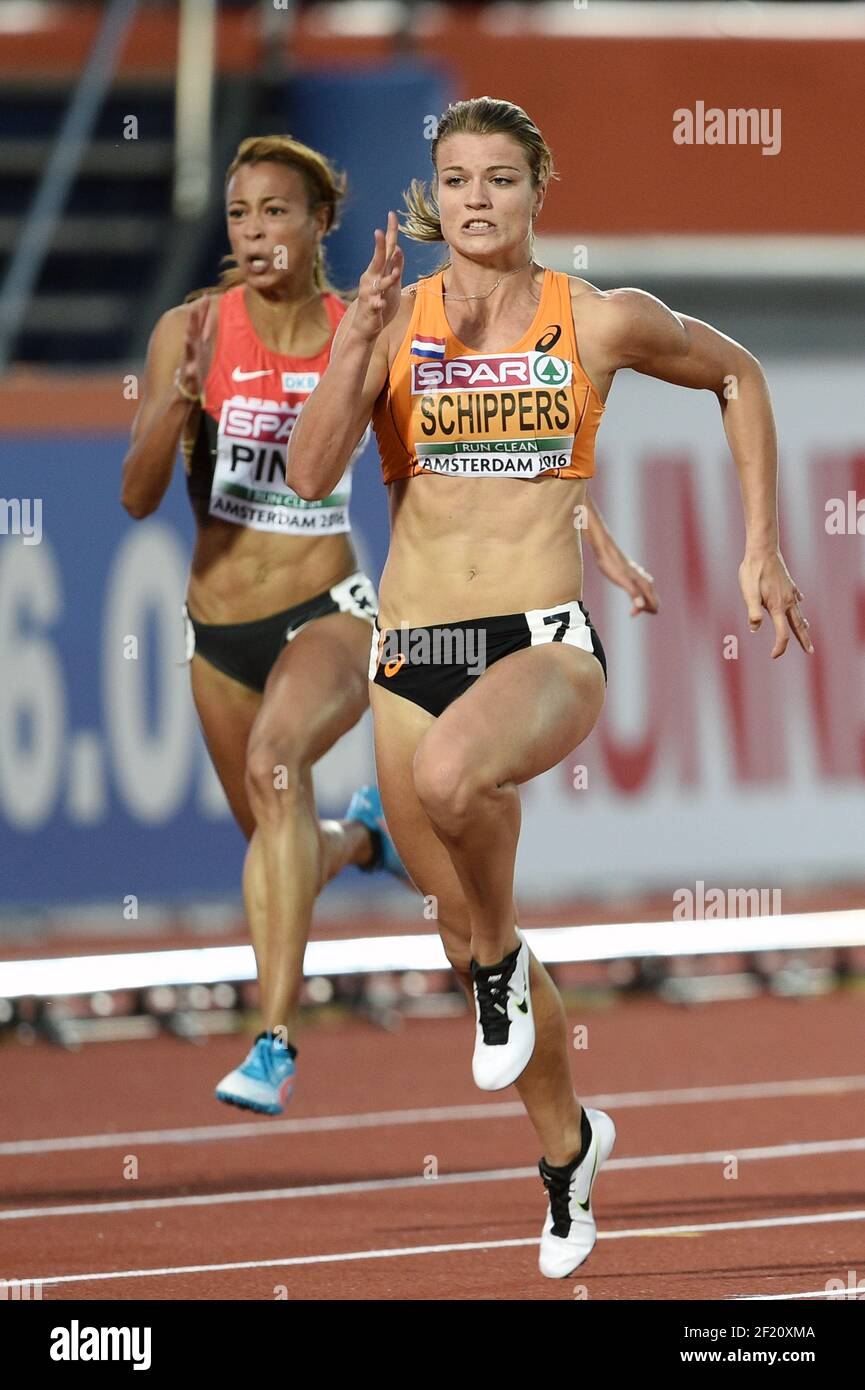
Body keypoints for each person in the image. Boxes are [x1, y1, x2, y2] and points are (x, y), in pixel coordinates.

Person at [285, 97, 813, 1278]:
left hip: (542, 643)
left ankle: (489, 981)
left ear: (537, 192)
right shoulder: (395, 318)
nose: (478, 198)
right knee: (481, 929)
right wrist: (353, 336)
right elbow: (312, 473)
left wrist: (759, 544)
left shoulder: (599, 319)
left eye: (503, 179)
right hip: (408, 655)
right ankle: (570, 1148)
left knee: (449, 773)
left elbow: (737, 376)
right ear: (436, 196)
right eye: (458, 178)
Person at [121, 135, 409, 1117]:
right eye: (240, 213)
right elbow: (135, 495)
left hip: (324, 608)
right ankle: (361, 842)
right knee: (276, 851)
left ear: (319, 222)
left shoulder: (355, 327)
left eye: (275, 211)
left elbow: (422, 463)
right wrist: (176, 400)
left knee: (279, 762)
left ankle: (275, 1039)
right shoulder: (189, 327)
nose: (254, 231)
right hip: (218, 631)